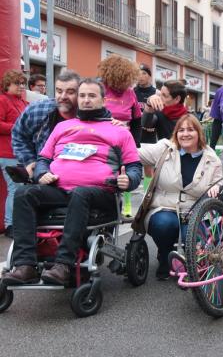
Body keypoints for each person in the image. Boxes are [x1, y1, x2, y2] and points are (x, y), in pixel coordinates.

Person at [1, 79, 142, 286]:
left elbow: (134, 167)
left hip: (99, 194)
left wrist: (128, 179)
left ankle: (64, 265)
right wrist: (41, 173)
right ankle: (25, 265)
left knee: (81, 193)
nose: (86, 100)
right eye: (83, 95)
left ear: (103, 100)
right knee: (24, 193)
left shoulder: (119, 131)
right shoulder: (63, 127)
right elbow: (44, 159)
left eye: (92, 96)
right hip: (60, 190)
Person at [137, 114, 222, 279]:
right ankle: (165, 256)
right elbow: (134, 153)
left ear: (199, 133)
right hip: (164, 206)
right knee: (164, 224)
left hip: (195, 209)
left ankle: (191, 259)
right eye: (181, 130)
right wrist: (120, 135)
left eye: (190, 130)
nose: (185, 134)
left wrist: (217, 186)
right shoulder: (165, 148)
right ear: (176, 134)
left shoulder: (212, 159)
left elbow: (219, 181)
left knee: (195, 235)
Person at [12, 70, 81, 180]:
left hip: (76, 179)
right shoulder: (37, 110)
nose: (63, 96)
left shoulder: (89, 116)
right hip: (42, 176)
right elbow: (18, 135)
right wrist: (29, 161)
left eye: (70, 92)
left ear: (80, 94)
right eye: (59, 91)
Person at [98, 54, 143, 217]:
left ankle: (125, 204)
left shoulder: (130, 93)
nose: (124, 85)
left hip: (124, 141)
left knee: (125, 172)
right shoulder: (101, 89)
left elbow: (137, 120)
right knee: (108, 174)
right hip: (103, 140)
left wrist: (135, 144)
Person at [0, 70, 29, 237]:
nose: (21, 86)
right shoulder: (3, 100)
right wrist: (17, 127)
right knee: (16, 189)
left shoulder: (22, 102)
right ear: (7, 85)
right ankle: (10, 225)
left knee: (20, 189)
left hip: (20, 153)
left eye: (22, 83)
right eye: (17, 83)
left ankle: (15, 223)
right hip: (7, 152)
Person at [134, 64, 158, 145]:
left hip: (150, 134)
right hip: (135, 134)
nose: (140, 76)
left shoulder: (157, 93)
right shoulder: (131, 92)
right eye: (138, 73)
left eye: (144, 73)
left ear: (150, 76)